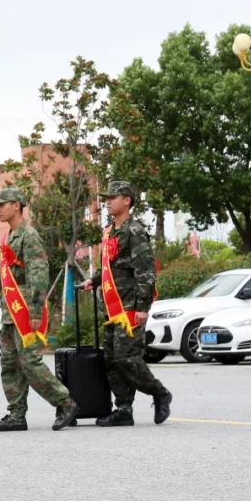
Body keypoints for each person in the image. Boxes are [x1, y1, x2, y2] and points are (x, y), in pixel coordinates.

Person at [0, 187, 78, 431]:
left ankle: (65, 401)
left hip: (26, 309)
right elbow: (6, 274)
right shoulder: (10, 236)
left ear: (16, 205)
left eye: (2, 204)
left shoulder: (29, 236)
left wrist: (37, 311)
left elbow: (38, 274)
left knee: (29, 362)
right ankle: (17, 414)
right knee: (9, 363)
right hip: (10, 310)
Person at [82, 181, 172, 426]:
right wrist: (94, 280)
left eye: (113, 197)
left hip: (130, 307)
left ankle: (159, 392)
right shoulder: (110, 231)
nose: (108, 201)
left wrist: (143, 308)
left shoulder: (134, 231)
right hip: (111, 307)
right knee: (111, 360)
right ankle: (123, 408)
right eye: (107, 198)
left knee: (127, 358)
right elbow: (111, 267)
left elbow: (146, 272)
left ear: (127, 201)